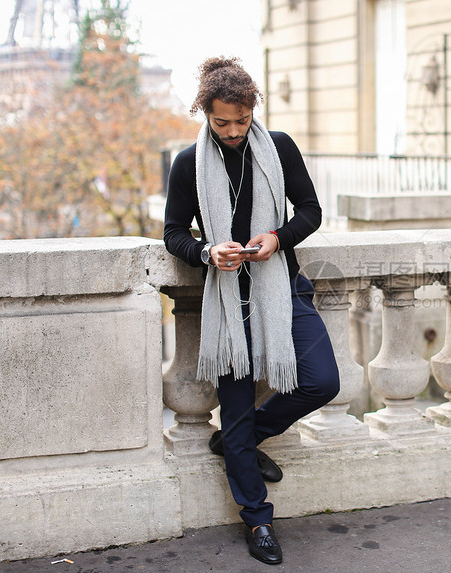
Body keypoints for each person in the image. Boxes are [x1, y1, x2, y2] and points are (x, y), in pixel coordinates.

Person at [163, 56, 340, 566]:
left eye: (242, 121)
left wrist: (277, 238)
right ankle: (257, 520)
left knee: (321, 381)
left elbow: (310, 211)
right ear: (205, 113)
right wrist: (206, 252)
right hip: (226, 303)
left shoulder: (279, 148)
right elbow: (175, 232)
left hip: (282, 288)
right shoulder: (186, 165)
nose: (235, 132)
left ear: (253, 112)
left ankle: (242, 439)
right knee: (234, 411)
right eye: (223, 123)